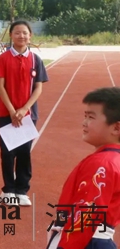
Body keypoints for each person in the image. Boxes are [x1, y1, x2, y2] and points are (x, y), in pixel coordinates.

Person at [46, 87, 120, 249]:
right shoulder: (112, 159)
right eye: (85, 116)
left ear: (116, 128)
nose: (84, 122)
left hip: (88, 242)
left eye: (91, 117)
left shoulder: (102, 163)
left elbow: (85, 216)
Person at [0, 20, 48, 206]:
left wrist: (24, 109)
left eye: (25, 33)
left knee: (25, 152)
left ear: (30, 35)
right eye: (17, 32)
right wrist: (11, 110)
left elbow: (38, 88)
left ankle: (22, 190)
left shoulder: (35, 60)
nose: (21, 36)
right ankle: (8, 189)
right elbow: (0, 86)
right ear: (11, 35)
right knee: (8, 152)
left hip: (28, 115)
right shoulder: (3, 59)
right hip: (5, 113)